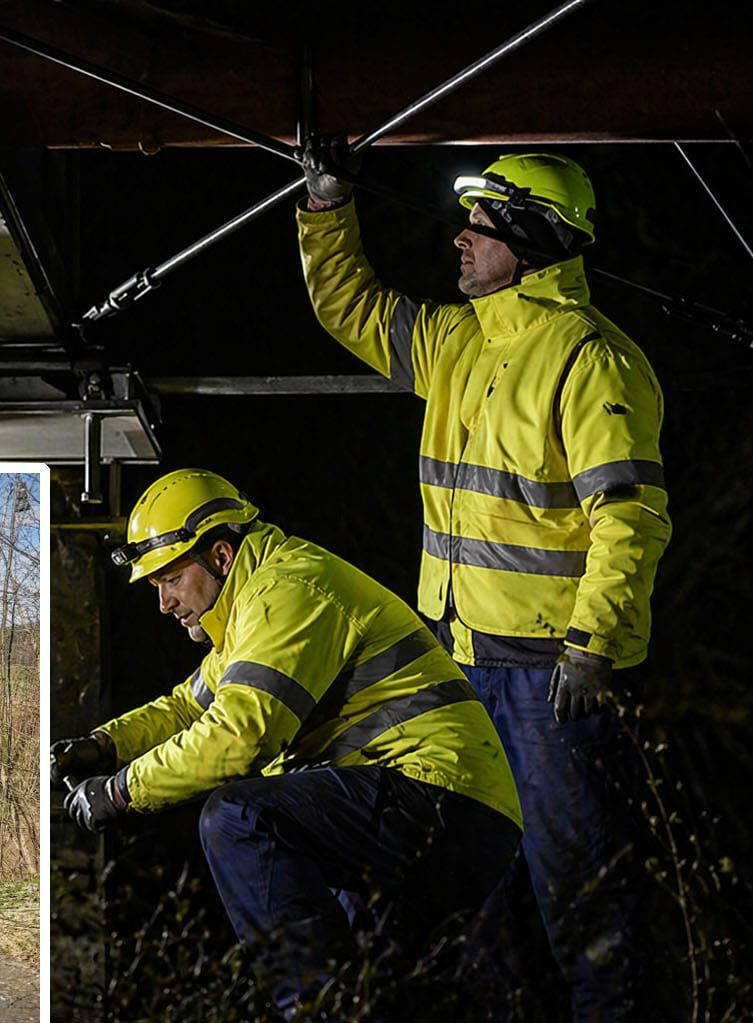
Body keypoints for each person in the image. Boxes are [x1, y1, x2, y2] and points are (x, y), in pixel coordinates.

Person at [295, 145, 672, 1019]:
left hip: (549, 683)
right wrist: (322, 208)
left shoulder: (590, 357)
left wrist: (593, 648)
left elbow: (628, 516)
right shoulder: (454, 344)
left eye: (481, 224)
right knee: (479, 898)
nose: (459, 239)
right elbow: (347, 305)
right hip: (456, 675)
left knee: (581, 903)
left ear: (534, 239)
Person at [53, 468, 522, 1016]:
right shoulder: (251, 613)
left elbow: (237, 736)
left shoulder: (289, 591)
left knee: (238, 819)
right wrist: (102, 746)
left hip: (437, 802)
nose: (164, 604)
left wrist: (118, 791)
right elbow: (186, 708)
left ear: (220, 557)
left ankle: (313, 1010)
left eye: (171, 580)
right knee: (387, 993)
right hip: (433, 814)